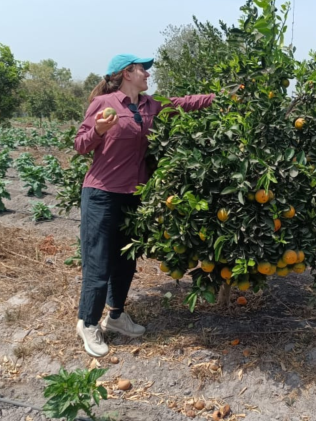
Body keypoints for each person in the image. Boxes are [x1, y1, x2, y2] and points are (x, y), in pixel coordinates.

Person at [74, 54, 215, 357]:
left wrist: (219, 98)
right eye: (143, 70)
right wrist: (98, 130)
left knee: (126, 260)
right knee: (98, 262)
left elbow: (184, 103)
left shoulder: (152, 106)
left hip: (133, 195)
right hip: (101, 193)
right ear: (127, 73)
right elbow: (81, 144)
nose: (148, 74)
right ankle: (88, 323)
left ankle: (116, 316)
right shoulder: (105, 104)